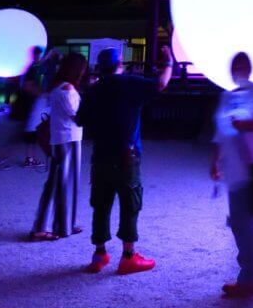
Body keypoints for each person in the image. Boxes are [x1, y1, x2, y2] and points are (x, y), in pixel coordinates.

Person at [74, 45, 173, 275]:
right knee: (130, 204)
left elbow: (80, 120)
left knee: (101, 204)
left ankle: (99, 254)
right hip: (127, 156)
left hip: (101, 156)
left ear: (100, 67)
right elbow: (161, 84)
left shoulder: (94, 90)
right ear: (120, 64)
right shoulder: (131, 83)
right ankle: (128, 256)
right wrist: (168, 63)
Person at [211, 52, 253, 298]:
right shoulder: (227, 96)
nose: (238, 68)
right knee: (241, 223)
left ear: (250, 68)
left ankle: (250, 278)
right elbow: (220, 131)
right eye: (235, 64)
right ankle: (250, 276)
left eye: (242, 64)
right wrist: (215, 159)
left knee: (244, 223)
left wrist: (245, 125)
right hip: (233, 169)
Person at [32, 53, 87, 240]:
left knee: (61, 182)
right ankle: (45, 226)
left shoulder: (57, 86)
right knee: (60, 182)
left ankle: (64, 224)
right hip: (68, 138)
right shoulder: (67, 89)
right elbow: (77, 115)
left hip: (62, 136)